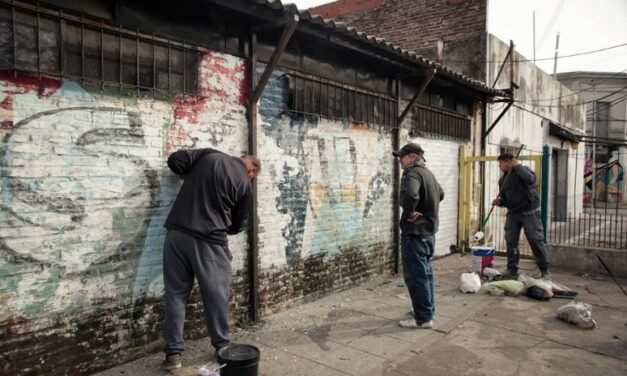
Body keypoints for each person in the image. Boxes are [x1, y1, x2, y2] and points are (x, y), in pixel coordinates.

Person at [161, 148, 261, 370]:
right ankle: (222, 346)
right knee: (216, 295)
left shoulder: (209, 155)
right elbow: (236, 225)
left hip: (176, 233)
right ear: (251, 171)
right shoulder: (244, 185)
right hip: (209, 240)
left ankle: (173, 355)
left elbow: (175, 161)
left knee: (175, 294)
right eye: (253, 177)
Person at [393, 143, 444, 329]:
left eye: (402, 156)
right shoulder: (428, 173)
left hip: (414, 234)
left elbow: (411, 195)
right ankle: (426, 310)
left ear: (413, 157)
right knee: (426, 273)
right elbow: (441, 194)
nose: (400, 160)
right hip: (428, 233)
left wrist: (409, 213)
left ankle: (422, 319)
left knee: (416, 276)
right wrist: (425, 209)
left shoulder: (412, 173)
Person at [493, 152, 549, 279]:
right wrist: (500, 202)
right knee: (511, 241)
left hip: (530, 212)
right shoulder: (503, 180)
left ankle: (544, 269)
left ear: (508, 162)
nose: (499, 166)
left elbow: (531, 180)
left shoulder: (524, 171)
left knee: (535, 240)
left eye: (501, 163)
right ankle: (512, 269)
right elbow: (506, 199)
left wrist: (518, 166)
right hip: (513, 213)